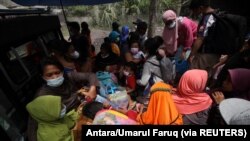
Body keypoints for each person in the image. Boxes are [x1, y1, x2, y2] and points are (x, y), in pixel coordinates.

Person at [27, 57, 99, 141]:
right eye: (49, 75)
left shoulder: (69, 77)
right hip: (65, 123)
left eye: (57, 72)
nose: (55, 77)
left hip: (81, 109)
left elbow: (90, 75)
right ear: (42, 76)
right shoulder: (41, 95)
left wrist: (92, 88)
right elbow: (33, 123)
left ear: (62, 71)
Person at [188, 0, 220, 77]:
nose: (194, 12)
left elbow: (200, 38)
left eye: (194, 10)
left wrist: (191, 54)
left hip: (205, 55)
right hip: (215, 54)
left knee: (193, 76)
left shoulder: (207, 18)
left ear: (200, 8)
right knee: (204, 78)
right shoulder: (218, 14)